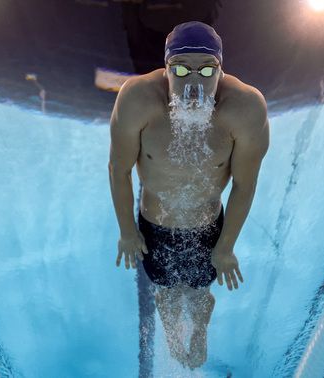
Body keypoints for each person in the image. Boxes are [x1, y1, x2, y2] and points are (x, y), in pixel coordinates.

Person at [109, 21, 269, 369]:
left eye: (206, 70)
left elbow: (245, 184)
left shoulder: (244, 108)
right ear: (166, 69)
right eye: (180, 69)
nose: (193, 81)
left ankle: (200, 324)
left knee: (197, 291)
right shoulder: (137, 99)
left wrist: (225, 247)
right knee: (166, 292)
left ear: (221, 69)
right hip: (155, 225)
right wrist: (126, 230)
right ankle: (171, 331)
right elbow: (118, 169)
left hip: (207, 226)